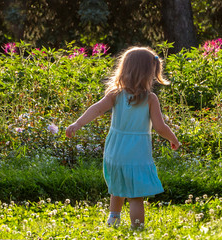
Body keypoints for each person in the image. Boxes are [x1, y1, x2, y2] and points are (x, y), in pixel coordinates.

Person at [65, 46, 181, 228]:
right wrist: (173, 138)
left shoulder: (115, 94)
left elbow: (95, 109)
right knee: (135, 196)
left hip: (115, 150)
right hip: (137, 153)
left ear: (125, 69)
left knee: (117, 186)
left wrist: (77, 123)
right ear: (148, 73)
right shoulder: (150, 99)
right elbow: (160, 127)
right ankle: (137, 227)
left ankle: (113, 220)